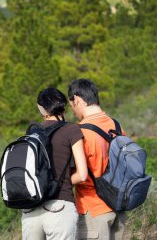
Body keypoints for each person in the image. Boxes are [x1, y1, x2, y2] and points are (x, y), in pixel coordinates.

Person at [22, 87, 88, 240]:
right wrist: (59, 183)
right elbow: (82, 174)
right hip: (59, 207)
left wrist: (42, 185)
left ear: (41, 108)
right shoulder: (71, 130)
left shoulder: (32, 133)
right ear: (63, 106)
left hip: (30, 210)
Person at [68, 79, 127, 240]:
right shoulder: (116, 125)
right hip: (119, 207)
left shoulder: (80, 133)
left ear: (77, 100)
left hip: (93, 212)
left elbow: (80, 174)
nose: (73, 111)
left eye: (72, 105)